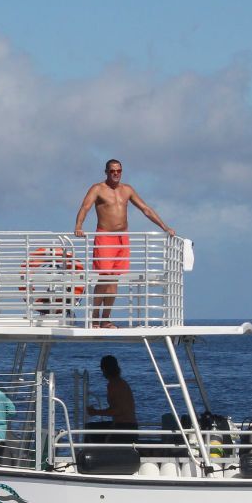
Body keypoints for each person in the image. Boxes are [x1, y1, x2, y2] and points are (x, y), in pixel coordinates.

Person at [72, 159, 175, 327]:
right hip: (105, 237)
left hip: (122, 238)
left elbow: (145, 209)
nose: (116, 173)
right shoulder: (97, 188)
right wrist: (78, 226)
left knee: (114, 280)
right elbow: (85, 207)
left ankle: (105, 319)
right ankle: (94, 317)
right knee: (104, 277)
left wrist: (165, 227)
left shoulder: (127, 189)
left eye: (118, 171)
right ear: (106, 172)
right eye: (112, 171)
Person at [86, 354, 137, 441]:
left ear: (105, 369)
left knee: (90, 432)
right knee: (91, 428)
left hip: (124, 428)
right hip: (129, 426)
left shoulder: (114, 385)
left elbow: (118, 410)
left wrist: (95, 412)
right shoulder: (121, 383)